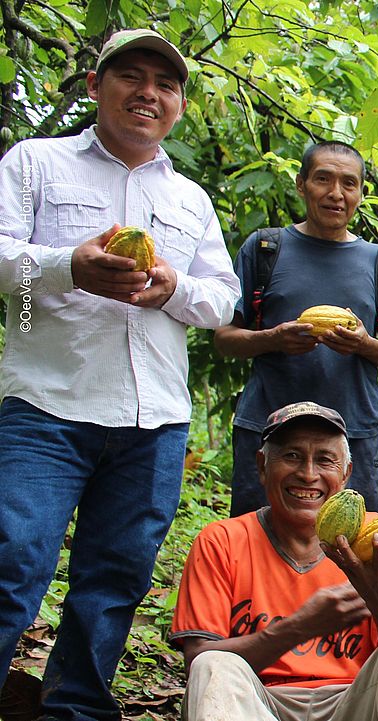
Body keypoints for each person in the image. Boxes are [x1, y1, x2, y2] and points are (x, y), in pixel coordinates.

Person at [0, 29, 239, 719]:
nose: (148, 93)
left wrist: (171, 289)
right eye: (131, 76)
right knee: (14, 561)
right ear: (94, 87)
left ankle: (73, 708)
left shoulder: (191, 199)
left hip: (153, 420)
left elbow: (221, 296)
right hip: (47, 406)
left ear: (180, 106)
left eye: (165, 85)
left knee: (113, 581)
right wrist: (67, 265)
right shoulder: (35, 163)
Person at [170, 401, 378, 721]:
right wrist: (298, 628)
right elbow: (197, 659)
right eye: (292, 456)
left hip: (356, 703)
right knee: (214, 664)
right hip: (258, 704)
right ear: (263, 467)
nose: (308, 474)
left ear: (346, 473)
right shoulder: (222, 541)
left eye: (325, 460)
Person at [214, 141, 378, 516]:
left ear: (361, 194)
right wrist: (275, 338)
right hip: (270, 429)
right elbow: (224, 339)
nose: (336, 194)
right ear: (302, 184)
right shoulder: (265, 249)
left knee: (347, 551)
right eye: (323, 179)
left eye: (348, 184)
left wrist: (364, 344)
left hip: (351, 434)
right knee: (258, 542)